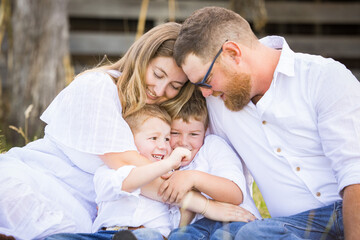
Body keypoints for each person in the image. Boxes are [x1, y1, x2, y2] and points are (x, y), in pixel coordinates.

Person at [173, 6, 360, 240]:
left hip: (349, 209)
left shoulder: (323, 77)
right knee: (247, 233)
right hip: (288, 230)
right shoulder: (217, 104)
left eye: (206, 81)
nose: (204, 94)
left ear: (233, 53)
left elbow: (355, 174)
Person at [0, 22, 195, 239]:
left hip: (83, 210)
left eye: (175, 86)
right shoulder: (98, 87)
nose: (160, 90)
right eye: (158, 74)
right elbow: (125, 165)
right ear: (141, 58)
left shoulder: (155, 113)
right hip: (41, 181)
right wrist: (202, 203)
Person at [46, 104, 255, 240]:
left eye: (166, 139)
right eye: (154, 138)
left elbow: (179, 224)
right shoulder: (110, 170)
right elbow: (129, 181)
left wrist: (191, 208)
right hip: (108, 233)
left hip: (152, 235)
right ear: (131, 141)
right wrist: (166, 166)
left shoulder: (174, 176)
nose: (164, 146)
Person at [162, 90, 261, 240]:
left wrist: (193, 178)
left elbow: (235, 195)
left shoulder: (212, 147)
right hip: (194, 230)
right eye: (175, 133)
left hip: (233, 220)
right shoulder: (163, 160)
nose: (183, 142)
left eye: (194, 134)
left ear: (205, 130)